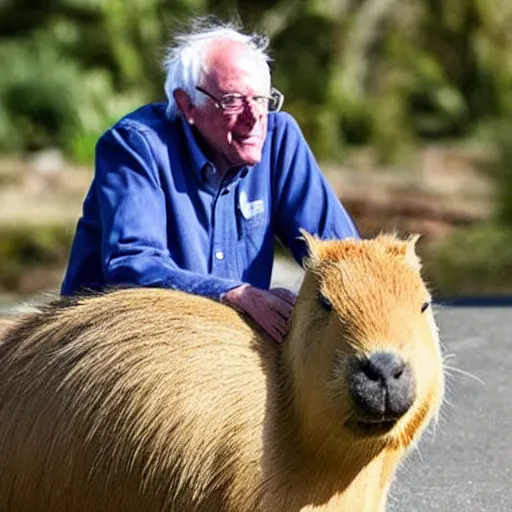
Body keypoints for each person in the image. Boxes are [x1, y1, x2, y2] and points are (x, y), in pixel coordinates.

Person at [61, 18, 359, 342]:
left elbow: (342, 256)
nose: (254, 117)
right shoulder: (136, 146)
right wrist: (234, 294)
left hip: (221, 347)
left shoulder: (279, 138)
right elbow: (133, 264)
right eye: (232, 101)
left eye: (261, 99)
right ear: (187, 105)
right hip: (115, 345)